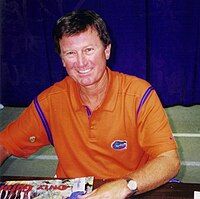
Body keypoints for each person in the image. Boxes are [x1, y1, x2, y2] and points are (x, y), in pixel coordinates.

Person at [0, 9, 180, 198]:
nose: (81, 63)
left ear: (107, 50)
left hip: (130, 189)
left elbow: (169, 161)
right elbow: (4, 144)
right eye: (70, 53)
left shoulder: (139, 95)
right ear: (62, 60)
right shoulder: (51, 101)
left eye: (88, 50)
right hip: (74, 192)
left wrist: (126, 186)